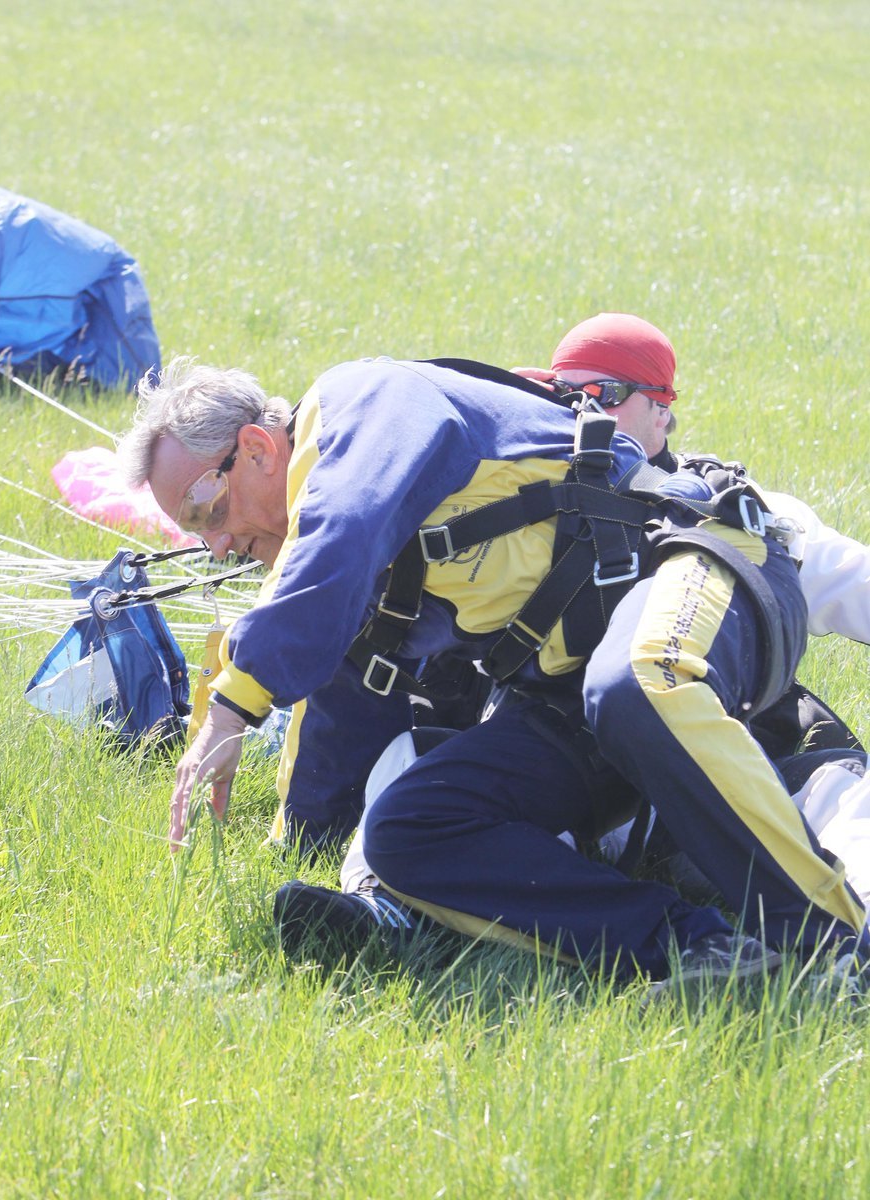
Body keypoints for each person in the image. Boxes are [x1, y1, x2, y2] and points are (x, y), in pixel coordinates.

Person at [119, 341, 865, 985]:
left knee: (639, 679)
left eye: (204, 510)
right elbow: (341, 719)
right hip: (577, 701)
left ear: (254, 447)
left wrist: (231, 702)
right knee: (408, 830)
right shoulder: (347, 575)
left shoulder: (359, 399)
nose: (212, 545)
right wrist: (297, 846)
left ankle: (830, 948)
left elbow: (336, 536)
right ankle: (696, 950)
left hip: (699, 569)